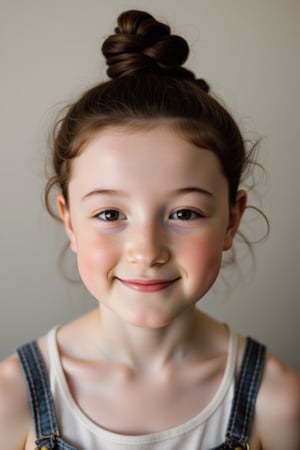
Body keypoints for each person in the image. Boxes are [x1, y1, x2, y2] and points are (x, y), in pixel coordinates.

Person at [0, 9, 299, 450]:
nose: (147, 250)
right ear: (69, 220)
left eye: (184, 214)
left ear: (231, 219)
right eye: (109, 214)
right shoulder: (13, 398)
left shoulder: (276, 402)